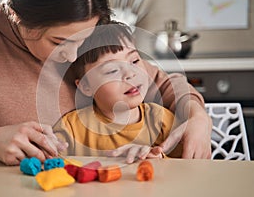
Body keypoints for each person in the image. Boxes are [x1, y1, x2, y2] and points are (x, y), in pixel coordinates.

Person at [0, 0, 211, 166]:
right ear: (18, 17)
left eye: (83, 40)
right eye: (59, 42)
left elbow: (168, 84)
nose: (73, 56)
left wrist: (197, 115)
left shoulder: (88, 31)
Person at [54, 22, 184, 163]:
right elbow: (48, 162)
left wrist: (158, 158)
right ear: (86, 86)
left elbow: (190, 166)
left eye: (134, 61)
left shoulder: (162, 120)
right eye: (112, 70)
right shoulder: (71, 128)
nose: (130, 73)